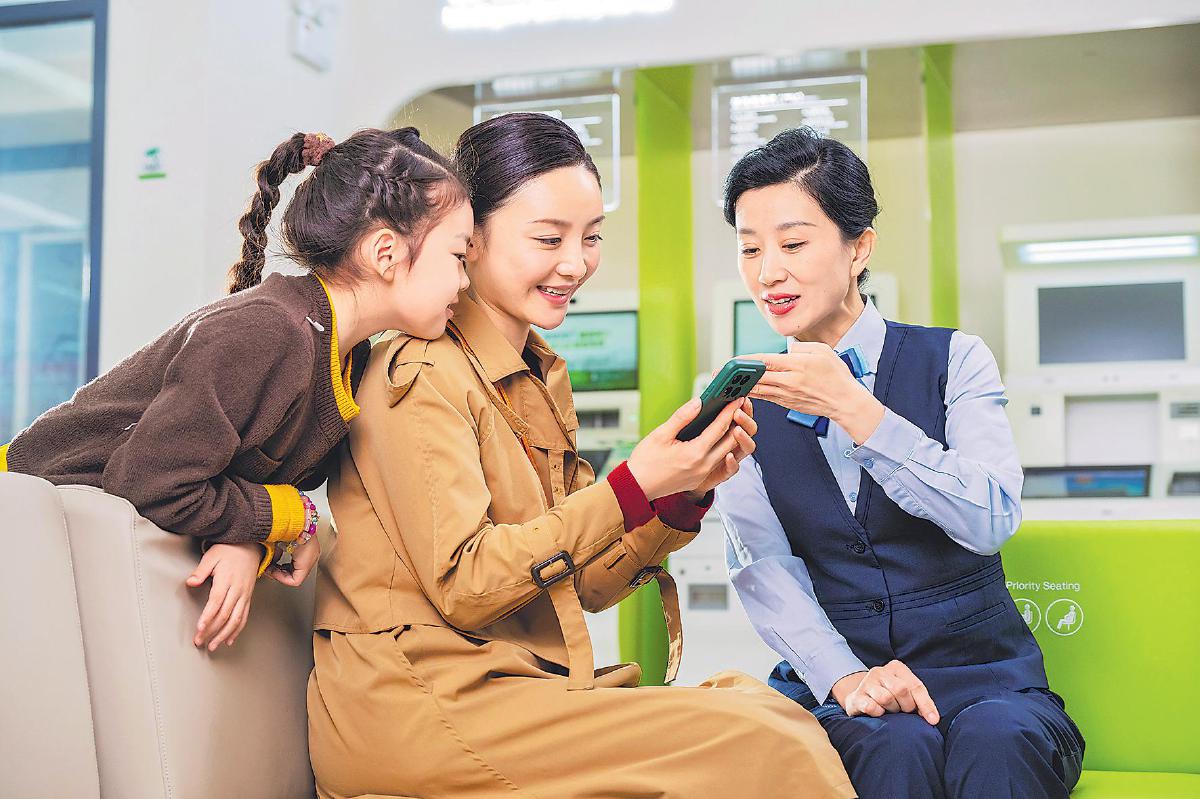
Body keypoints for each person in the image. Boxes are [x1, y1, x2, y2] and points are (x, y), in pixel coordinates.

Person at [307, 113, 854, 799]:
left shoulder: (538, 373)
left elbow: (585, 583)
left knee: (774, 712)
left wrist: (676, 494)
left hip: (513, 690)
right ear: (470, 238)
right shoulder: (420, 374)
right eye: (549, 238)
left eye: (591, 237)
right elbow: (466, 584)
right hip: (423, 707)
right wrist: (631, 486)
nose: (576, 263)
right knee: (764, 742)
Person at [716, 126, 1085, 798]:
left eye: (793, 244)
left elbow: (990, 518)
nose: (768, 272)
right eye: (749, 248)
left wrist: (859, 412)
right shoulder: (738, 399)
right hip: (840, 685)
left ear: (859, 247)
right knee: (888, 746)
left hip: (988, 680)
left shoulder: (957, 360)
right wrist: (846, 677)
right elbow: (763, 567)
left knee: (999, 742)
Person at [1, 127, 473, 651]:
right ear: (386, 253)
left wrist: (254, 540)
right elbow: (150, 481)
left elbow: (230, 483)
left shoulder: (345, 355)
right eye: (459, 256)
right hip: (24, 524)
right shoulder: (270, 331)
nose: (465, 281)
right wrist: (289, 518)